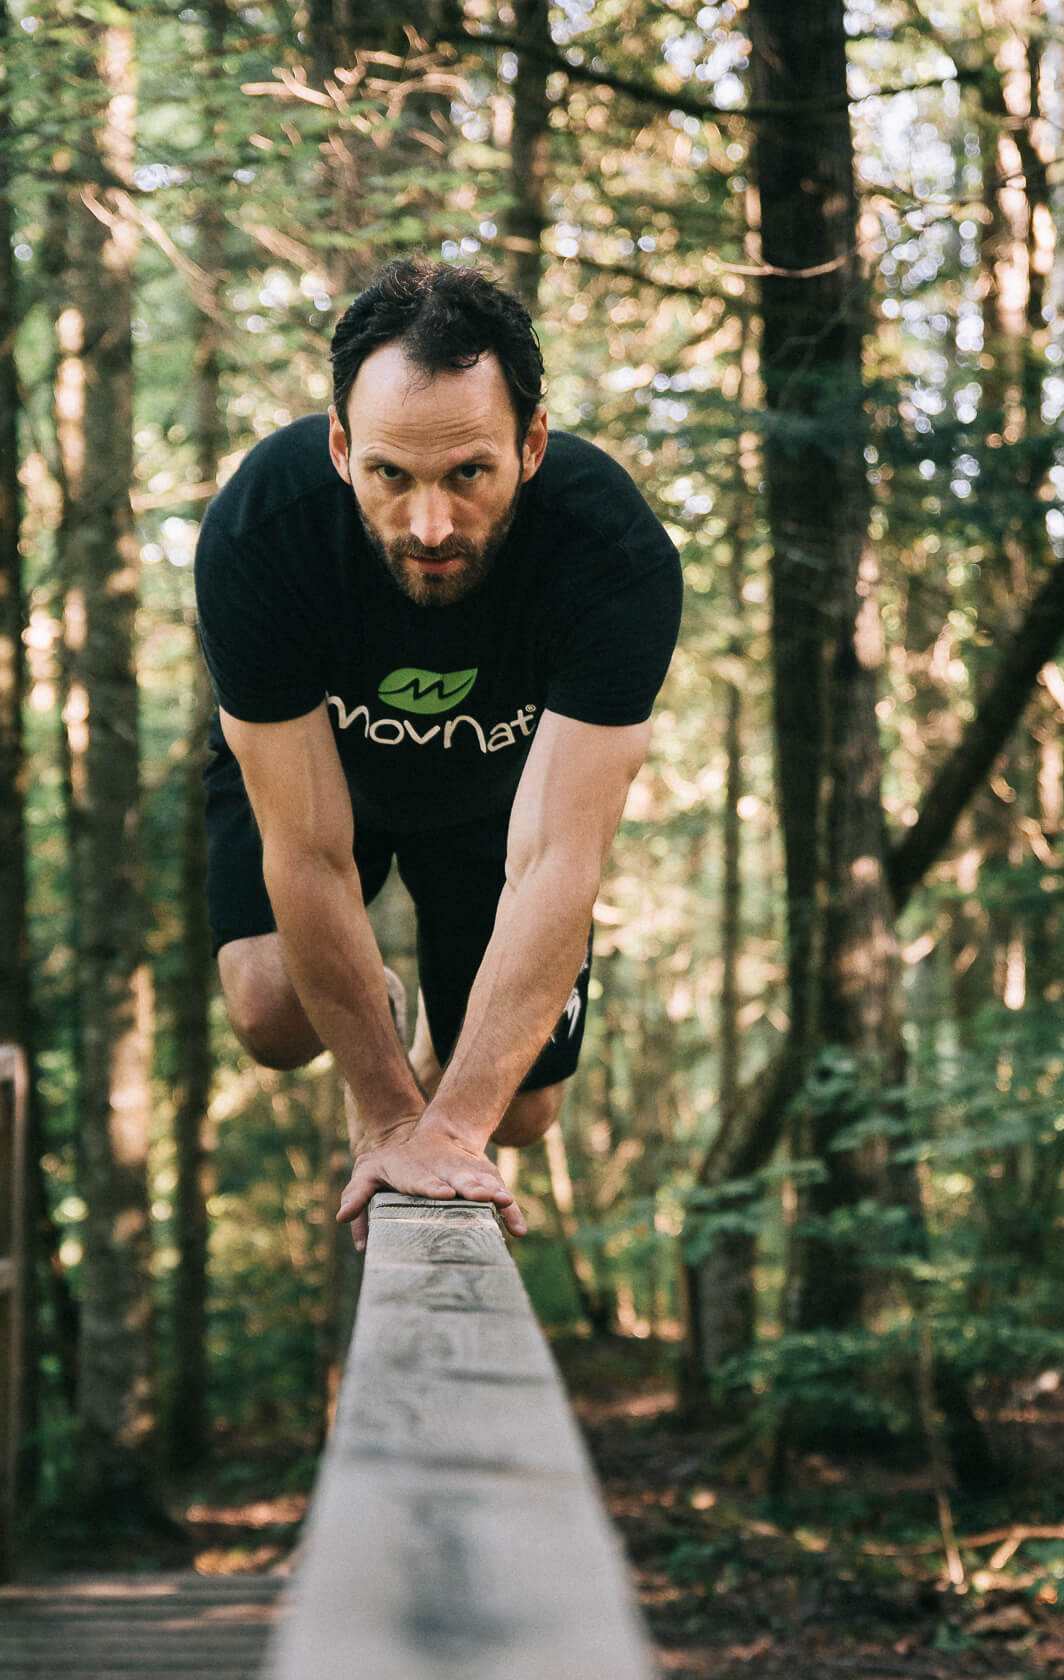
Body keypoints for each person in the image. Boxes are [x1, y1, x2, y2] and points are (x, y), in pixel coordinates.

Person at [194, 256, 682, 1248]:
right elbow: (309, 853)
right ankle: (371, 999)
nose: (429, 525)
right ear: (339, 448)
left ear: (531, 443)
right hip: (322, 777)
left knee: (523, 1111)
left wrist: (451, 1130)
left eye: (469, 474)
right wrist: (385, 1118)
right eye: (389, 475)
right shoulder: (259, 535)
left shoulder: (610, 556)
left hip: (496, 802)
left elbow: (559, 862)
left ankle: (439, 1042)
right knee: (270, 1014)